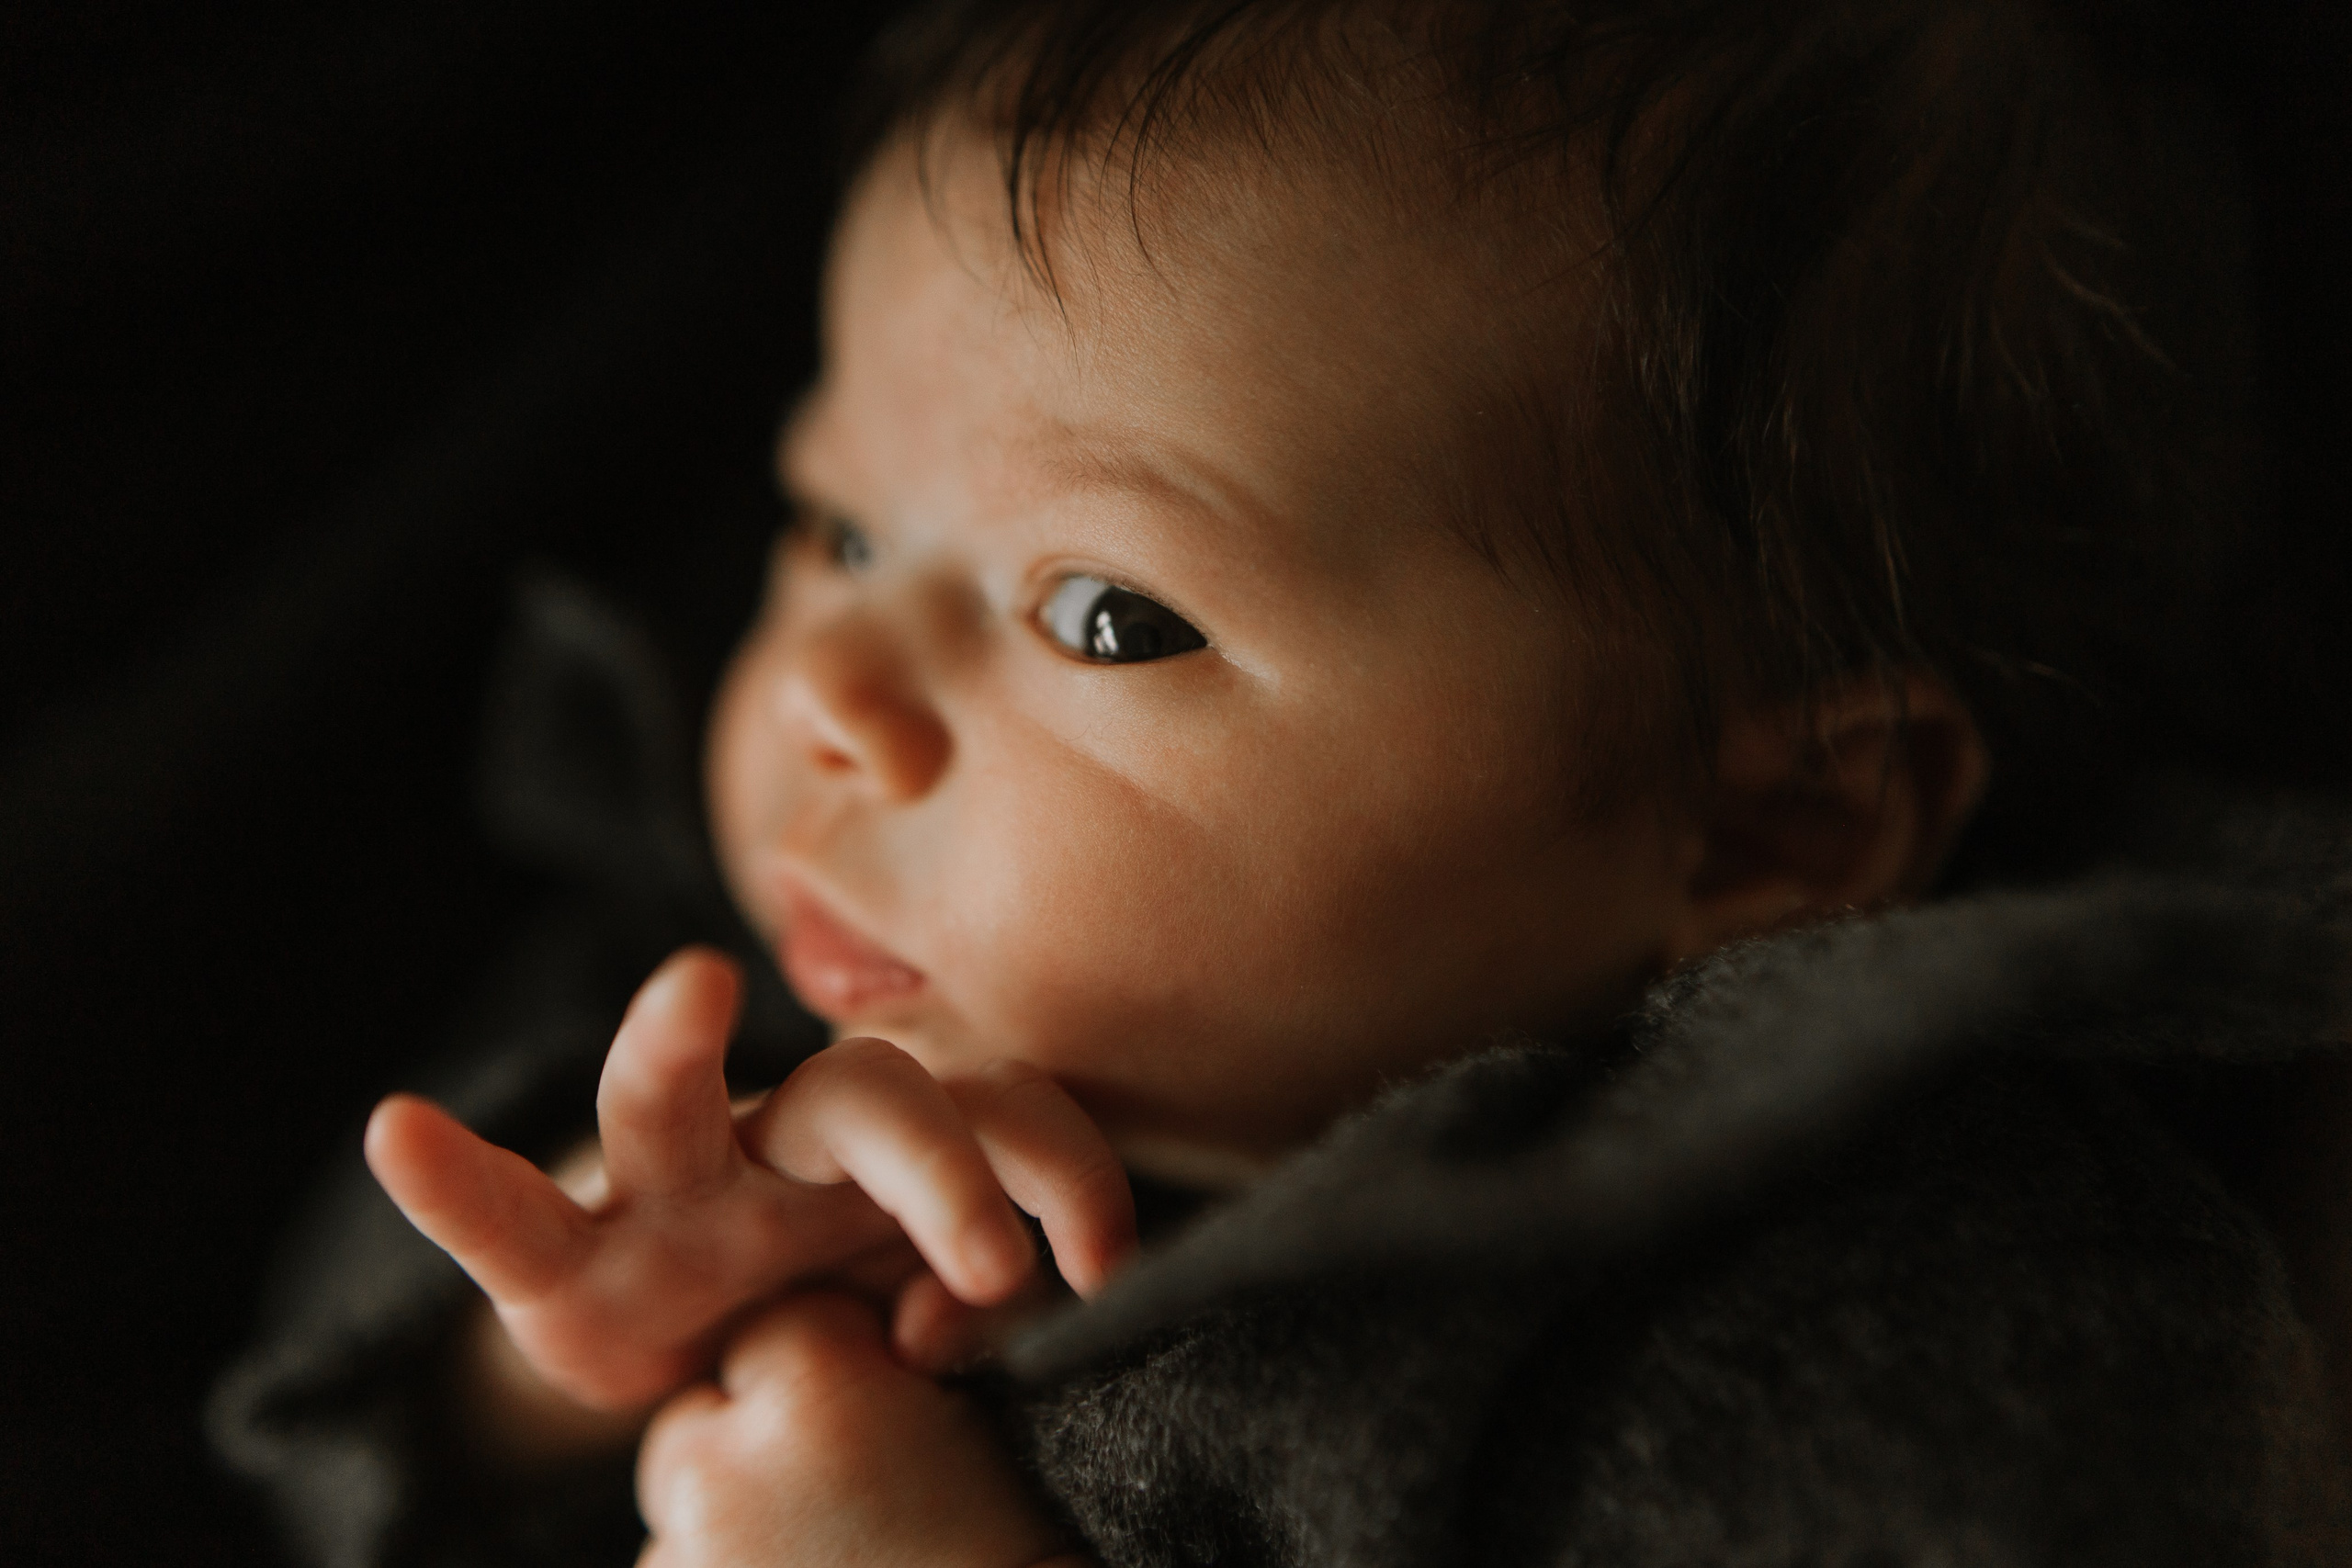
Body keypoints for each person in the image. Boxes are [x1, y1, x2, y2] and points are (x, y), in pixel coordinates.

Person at [212, 0, 2352, 1563]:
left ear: (1768, 826)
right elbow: (309, 1447)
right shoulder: (750, 1036)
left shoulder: (1890, 1315)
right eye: (837, 527)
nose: (833, 691)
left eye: (1105, 616)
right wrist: (570, 1350)